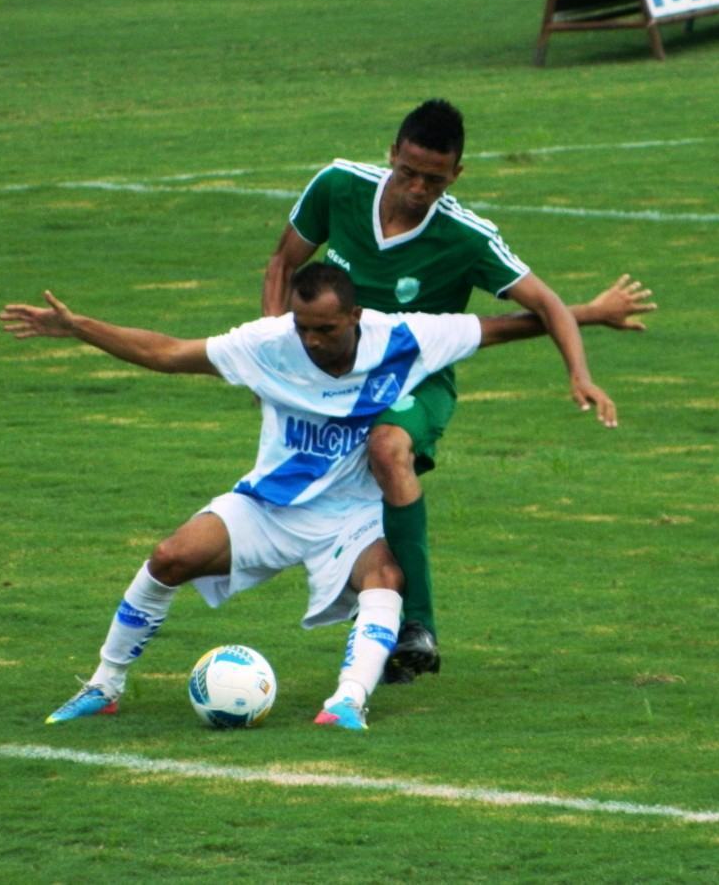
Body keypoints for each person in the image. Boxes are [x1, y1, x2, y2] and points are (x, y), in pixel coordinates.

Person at [0, 263, 635, 731]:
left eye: (325, 328)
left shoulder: (405, 337)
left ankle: (347, 703)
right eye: (304, 327)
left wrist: (588, 313)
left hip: (351, 516)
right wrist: (79, 326)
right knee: (169, 557)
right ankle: (104, 685)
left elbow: (501, 326)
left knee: (386, 575)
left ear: (355, 316)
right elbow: (167, 353)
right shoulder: (268, 342)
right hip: (270, 506)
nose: (311, 340)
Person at [262, 98, 656, 682]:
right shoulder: (338, 185)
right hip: (332, 382)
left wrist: (581, 373)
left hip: (416, 384)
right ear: (391, 154)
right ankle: (378, 617)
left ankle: (415, 622)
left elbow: (543, 304)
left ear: (458, 176)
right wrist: (278, 359)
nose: (418, 188)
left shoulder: (466, 237)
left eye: (435, 180)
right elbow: (280, 265)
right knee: (319, 504)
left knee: (388, 450)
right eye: (409, 172)